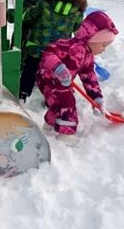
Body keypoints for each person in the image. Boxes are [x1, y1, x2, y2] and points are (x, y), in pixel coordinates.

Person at [36, 10, 118, 144]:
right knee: (67, 103)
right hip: (48, 78)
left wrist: (96, 97)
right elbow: (49, 53)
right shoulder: (71, 46)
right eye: (103, 45)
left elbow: (89, 76)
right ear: (92, 37)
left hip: (61, 83)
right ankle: (65, 136)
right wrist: (59, 68)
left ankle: (48, 127)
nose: (104, 49)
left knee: (57, 104)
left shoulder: (88, 56)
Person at [19, 0, 87, 101]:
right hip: (59, 53)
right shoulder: (77, 11)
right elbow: (78, 29)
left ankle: (23, 94)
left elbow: (27, 16)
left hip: (36, 49)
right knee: (55, 75)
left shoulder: (44, 4)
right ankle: (51, 99)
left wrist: (11, 14)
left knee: (30, 71)